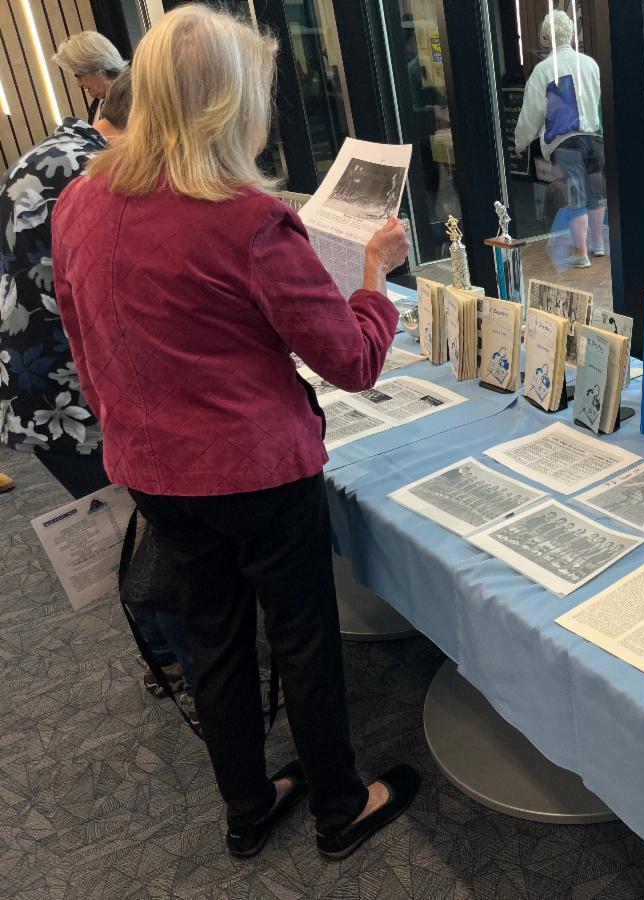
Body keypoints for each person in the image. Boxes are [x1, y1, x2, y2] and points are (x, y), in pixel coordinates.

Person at [51, 6, 419, 861]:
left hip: (151, 464)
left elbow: (83, 341)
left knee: (214, 635)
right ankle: (338, 805)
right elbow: (355, 361)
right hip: (256, 470)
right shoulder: (244, 217)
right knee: (300, 634)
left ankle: (247, 808)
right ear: (231, 102)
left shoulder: (81, 201)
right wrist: (373, 275)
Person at [0, 74, 199, 717]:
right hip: (72, 396)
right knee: (150, 537)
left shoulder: (55, 153)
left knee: (122, 528)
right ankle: (197, 678)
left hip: (36, 389)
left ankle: (163, 658)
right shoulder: (95, 175)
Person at [513, 11, 606, 268]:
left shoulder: (543, 71)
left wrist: (520, 142)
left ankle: (580, 253)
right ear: (572, 34)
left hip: (565, 144)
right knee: (596, 195)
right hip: (594, 138)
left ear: (545, 38)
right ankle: (597, 244)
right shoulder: (590, 64)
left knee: (573, 198)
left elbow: (531, 112)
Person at [51, 31, 128, 124]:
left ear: (98, 67)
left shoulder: (134, 100)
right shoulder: (97, 104)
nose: (78, 84)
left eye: (79, 75)